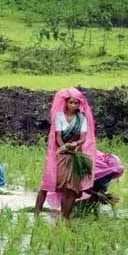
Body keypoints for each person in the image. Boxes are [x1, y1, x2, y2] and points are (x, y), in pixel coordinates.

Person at [34, 88, 97, 220]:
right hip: (61, 154)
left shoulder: (82, 118)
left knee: (71, 188)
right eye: (71, 103)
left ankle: (66, 217)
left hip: (75, 155)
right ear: (65, 103)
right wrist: (64, 147)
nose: (74, 105)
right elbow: (58, 136)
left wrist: (75, 145)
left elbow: (83, 137)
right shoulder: (60, 116)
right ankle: (36, 214)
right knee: (47, 184)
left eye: (76, 103)